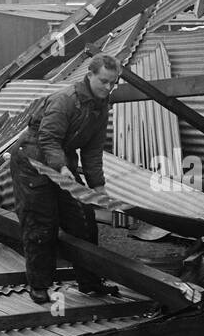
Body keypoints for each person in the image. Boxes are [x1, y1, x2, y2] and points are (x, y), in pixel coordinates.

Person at [9, 52, 121, 303]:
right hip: (33, 159)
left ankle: (90, 282)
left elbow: (92, 151)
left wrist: (98, 187)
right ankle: (39, 286)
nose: (108, 87)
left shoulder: (100, 108)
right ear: (89, 75)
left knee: (83, 216)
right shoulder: (65, 100)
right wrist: (61, 168)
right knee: (42, 223)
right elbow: (48, 139)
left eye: (113, 82)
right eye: (103, 81)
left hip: (62, 159)